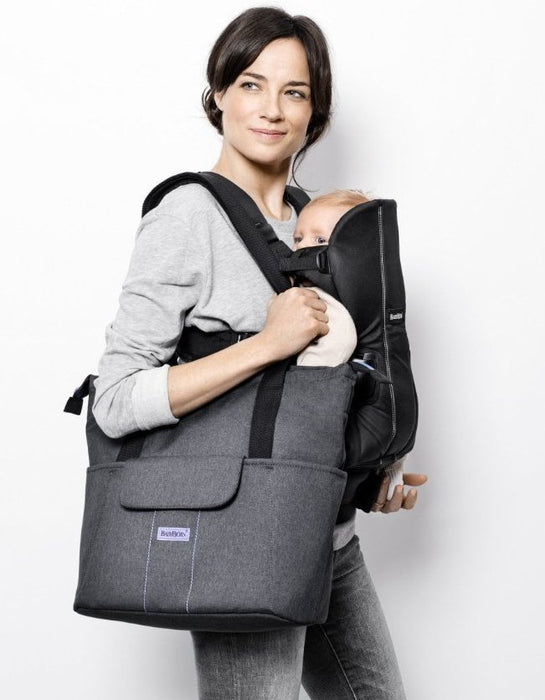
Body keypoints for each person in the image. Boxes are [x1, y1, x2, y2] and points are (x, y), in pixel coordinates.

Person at [91, 7, 427, 698]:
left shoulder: (321, 220)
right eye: (251, 84)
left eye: (294, 91)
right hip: (240, 538)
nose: (271, 109)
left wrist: (374, 466)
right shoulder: (189, 216)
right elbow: (116, 401)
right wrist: (265, 346)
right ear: (218, 94)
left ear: (315, 112)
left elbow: (337, 370)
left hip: (328, 533)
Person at [293, 187, 407, 501]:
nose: (302, 248)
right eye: (298, 238)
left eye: (319, 239)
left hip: (338, 426)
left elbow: (334, 346)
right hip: (389, 423)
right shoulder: (376, 297)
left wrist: (294, 382)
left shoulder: (324, 304)